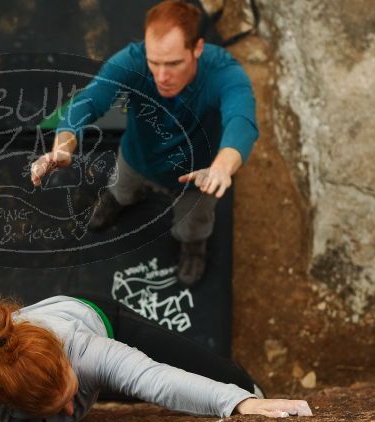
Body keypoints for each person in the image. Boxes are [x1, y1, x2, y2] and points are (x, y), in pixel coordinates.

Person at [30, 0, 258, 287]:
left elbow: (242, 119)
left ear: (197, 48)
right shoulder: (132, 60)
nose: (162, 76)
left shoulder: (224, 72)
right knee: (121, 189)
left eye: (174, 63)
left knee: (194, 225)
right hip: (137, 158)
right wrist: (64, 144)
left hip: (197, 174)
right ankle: (118, 201)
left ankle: (192, 247)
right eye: (155, 62)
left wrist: (222, 167)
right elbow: (90, 100)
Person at [0, 296, 311, 422]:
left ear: (66, 363)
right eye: (55, 409)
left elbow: (154, 379)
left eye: (71, 394)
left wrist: (240, 403)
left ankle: (249, 384)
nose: (72, 409)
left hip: (93, 313)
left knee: (218, 371)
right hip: (40, 356)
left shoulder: (86, 351)